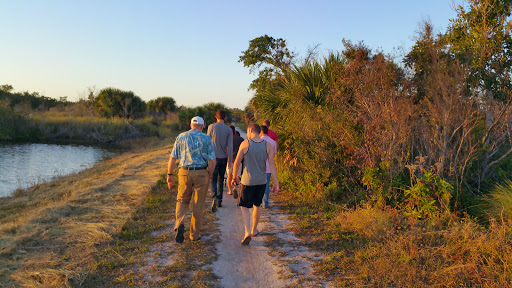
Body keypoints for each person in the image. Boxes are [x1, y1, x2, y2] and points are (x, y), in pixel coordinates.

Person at [167, 116, 216, 243]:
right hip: (201, 172)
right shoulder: (206, 138)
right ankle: (194, 235)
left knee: (182, 200)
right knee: (198, 204)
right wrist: (209, 174)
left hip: (184, 172)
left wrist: (169, 174)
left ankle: (179, 224)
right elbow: (212, 160)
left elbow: (173, 158)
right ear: (202, 126)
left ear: (190, 125)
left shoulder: (181, 137)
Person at [231, 124, 279, 245]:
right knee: (257, 205)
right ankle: (254, 230)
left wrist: (234, 177)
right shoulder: (267, 145)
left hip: (247, 181)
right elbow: (272, 164)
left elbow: (237, 163)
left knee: (245, 207)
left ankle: (247, 231)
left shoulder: (245, 144)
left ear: (251, 130)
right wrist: (276, 181)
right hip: (262, 180)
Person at [207, 110, 233, 212]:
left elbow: (208, 143)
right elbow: (230, 147)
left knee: (213, 178)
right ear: (225, 118)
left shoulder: (211, 127)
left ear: (215, 117)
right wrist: (230, 160)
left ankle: (214, 197)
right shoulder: (228, 130)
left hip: (213, 158)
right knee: (221, 179)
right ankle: (220, 200)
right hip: (223, 158)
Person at [260, 125, 277, 208]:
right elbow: (273, 156)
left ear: (261, 131)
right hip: (268, 167)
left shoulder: (259, 140)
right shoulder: (273, 142)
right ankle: (265, 203)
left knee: (258, 185)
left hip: (259, 167)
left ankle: (258, 201)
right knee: (266, 185)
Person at [227, 125, 244, 198]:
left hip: (229, 160)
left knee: (229, 175)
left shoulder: (227, 139)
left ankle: (230, 191)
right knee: (237, 175)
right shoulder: (241, 139)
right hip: (238, 160)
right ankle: (236, 188)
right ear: (234, 131)